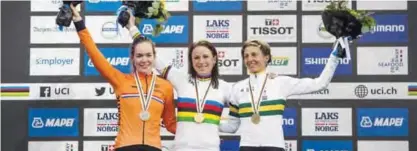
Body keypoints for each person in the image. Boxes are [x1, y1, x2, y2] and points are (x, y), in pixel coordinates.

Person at [69, 4, 177, 151]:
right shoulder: (121, 81)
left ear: (154, 57)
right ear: (132, 58)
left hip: (153, 148)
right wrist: (79, 22)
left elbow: (171, 124)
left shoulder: (166, 87)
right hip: (125, 147)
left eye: (148, 55)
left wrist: (203, 130)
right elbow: (94, 54)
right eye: (139, 56)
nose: (144, 60)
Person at [125, 12, 232, 151]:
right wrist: (132, 28)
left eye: (205, 57)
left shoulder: (225, 87)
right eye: (196, 57)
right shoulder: (182, 80)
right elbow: (153, 57)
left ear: (214, 59)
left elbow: (246, 109)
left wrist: (217, 124)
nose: (201, 61)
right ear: (191, 61)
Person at [219, 39, 345, 151]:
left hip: (275, 146)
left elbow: (319, 84)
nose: (250, 59)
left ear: (266, 57)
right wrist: (204, 122)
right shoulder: (237, 88)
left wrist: (334, 57)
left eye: (254, 54)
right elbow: (231, 127)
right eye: (246, 56)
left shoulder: (281, 82)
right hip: (246, 147)